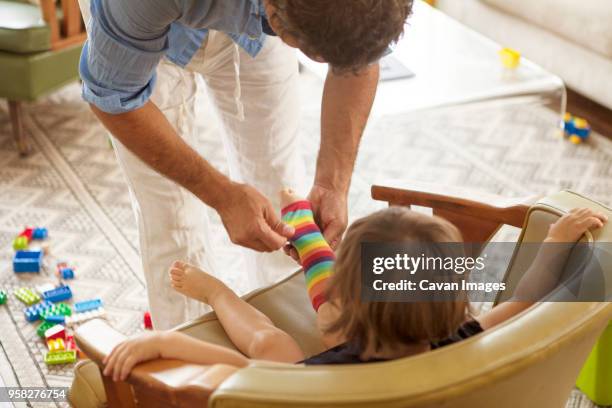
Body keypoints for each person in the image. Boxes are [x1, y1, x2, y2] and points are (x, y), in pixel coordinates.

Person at [78, 0, 414, 329]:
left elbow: (359, 60)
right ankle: (188, 360)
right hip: (142, 17)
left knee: (281, 195)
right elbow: (114, 98)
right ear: (276, 16)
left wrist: (332, 182)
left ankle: (292, 324)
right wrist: (221, 195)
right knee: (169, 215)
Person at [101, 189, 607, 381]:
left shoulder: (322, 373)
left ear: (347, 306)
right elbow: (525, 299)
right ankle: (308, 239)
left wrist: (163, 339)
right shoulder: (462, 341)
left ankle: (219, 292)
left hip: (315, 380)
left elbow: (241, 367)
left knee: (269, 342)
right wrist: (557, 242)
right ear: (453, 304)